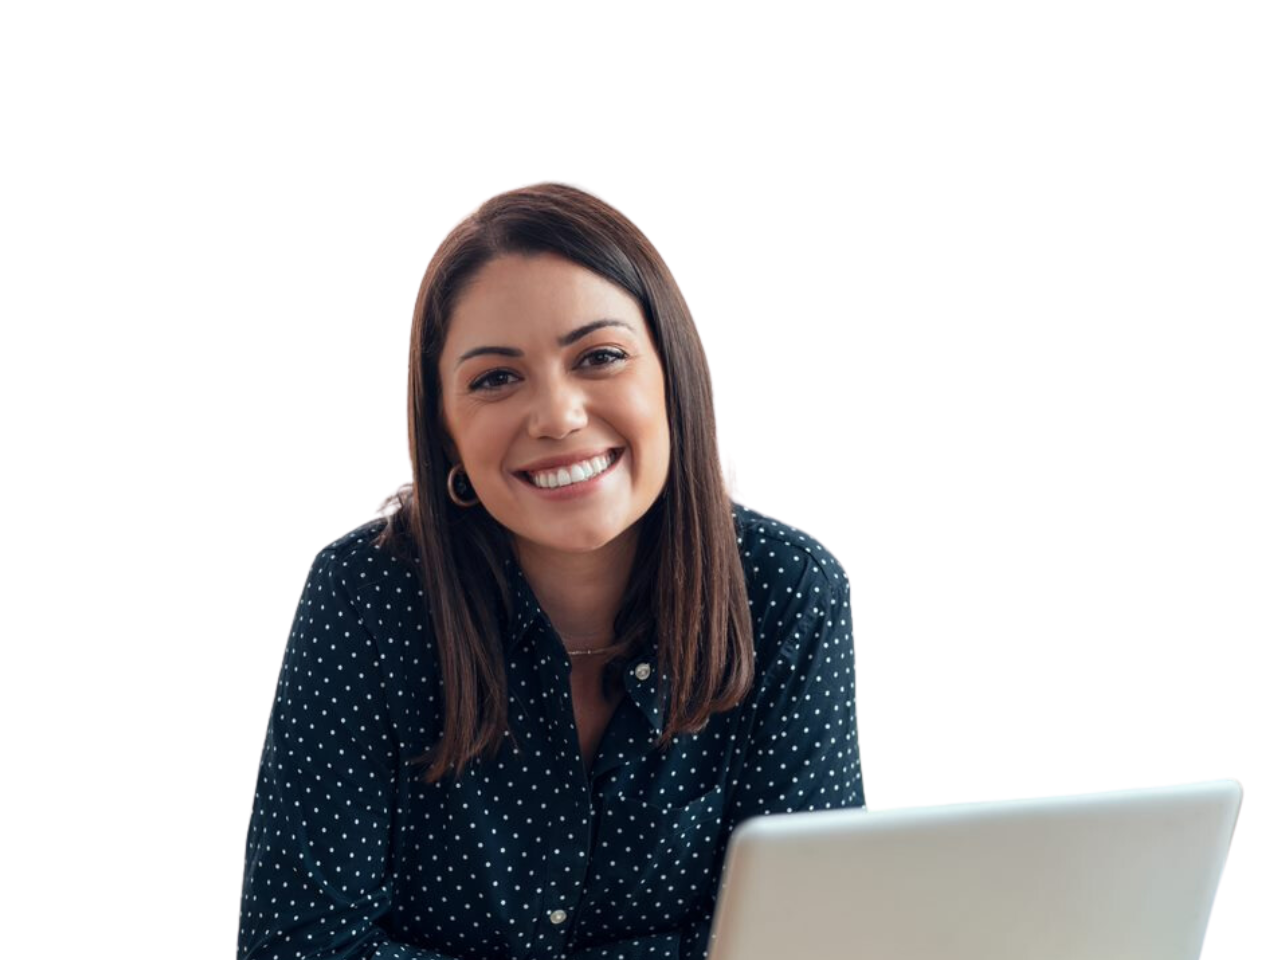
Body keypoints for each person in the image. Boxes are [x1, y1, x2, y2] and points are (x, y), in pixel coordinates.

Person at [236, 182, 866, 960]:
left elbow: (813, 939)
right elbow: (298, 946)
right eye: (496, 378)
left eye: (599, 357)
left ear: (671, 374)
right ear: (447, 430)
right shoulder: (365, 598)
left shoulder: (785, 592)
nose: (559, 416)